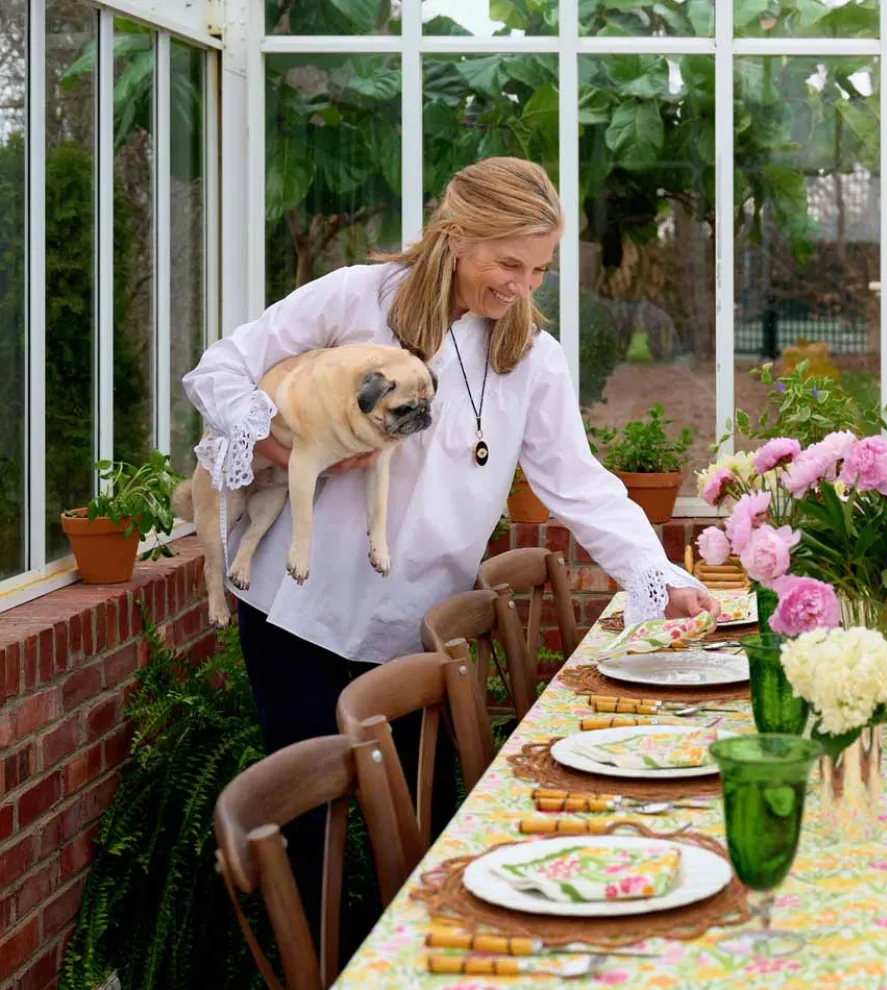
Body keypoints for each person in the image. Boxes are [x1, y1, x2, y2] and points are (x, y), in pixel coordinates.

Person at [183, 156, 718, 946]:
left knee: (432, 836)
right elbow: (220, 365)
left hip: (421, 632)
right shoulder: (356, 298)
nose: (521, 285)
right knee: (309, 841)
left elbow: (578, 483)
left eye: (538, 268)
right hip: (299, 613)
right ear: (456, 235)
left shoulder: (532, 355)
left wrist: (655, 573)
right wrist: (269, 437)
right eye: (508, 263)